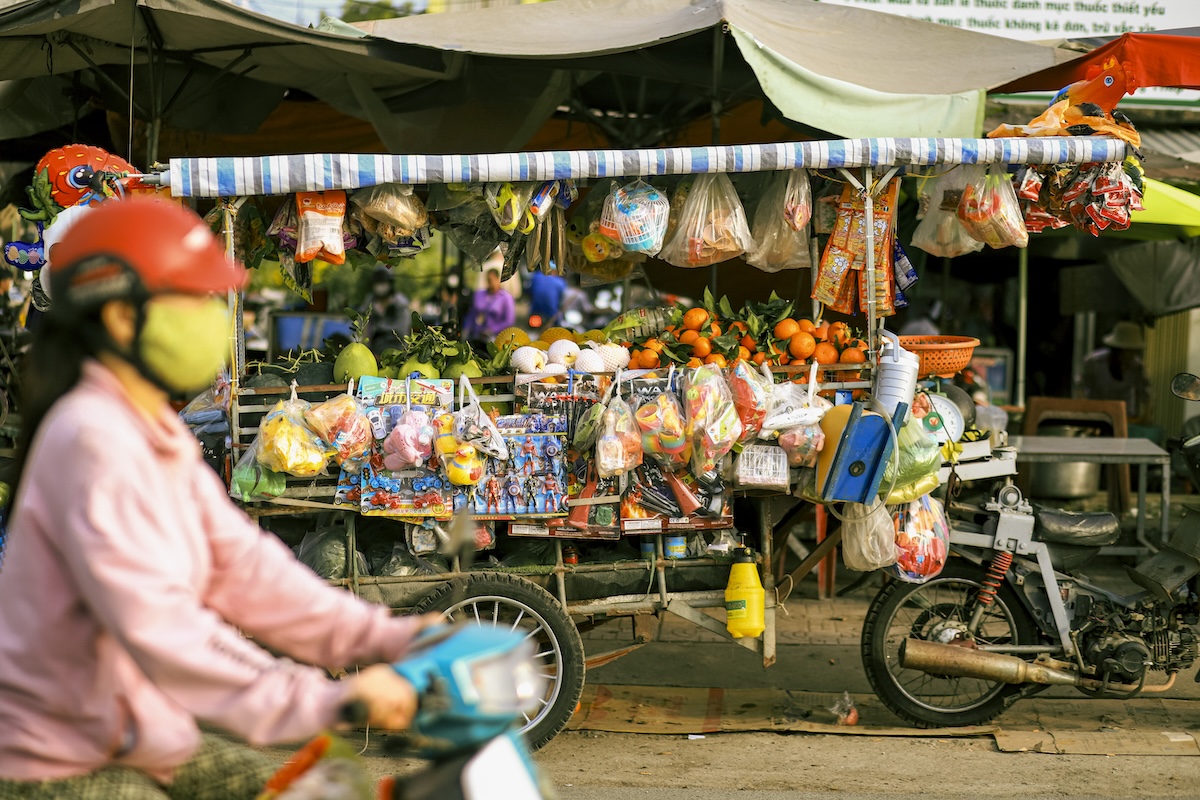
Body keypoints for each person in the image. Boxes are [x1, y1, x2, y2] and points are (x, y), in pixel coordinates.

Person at [0, 199, 432, 799]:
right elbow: (162, 630)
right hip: (59, 761)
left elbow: (242, 565)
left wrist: (388, 637)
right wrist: (328, 700)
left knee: (335, 791)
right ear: (124, 317)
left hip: (140, 733)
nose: (210, 317)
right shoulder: (90, 438)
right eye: (192, 299)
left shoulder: (152, 426)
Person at [1077, 320, 1152, 423]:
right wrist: (1085, 409)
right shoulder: (1094, 362)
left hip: (1124, 416)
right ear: (1117, 350)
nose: (1131, 355)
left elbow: (1146, 393)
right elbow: (1080, 386)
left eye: (1134, 351)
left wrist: (1145, 416)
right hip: (1096, 415)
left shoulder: (1137, 367)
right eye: (1128, 351)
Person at [462, 267, 515, 344]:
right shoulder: (479, 294)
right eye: (488, 280)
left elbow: (509, 321)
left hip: (495, 337)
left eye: (491, 280)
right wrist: (466, 328)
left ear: (498, 280)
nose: (489, 283)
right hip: (476, 334)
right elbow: (472, 313)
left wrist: (492, 329)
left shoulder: (506, 298)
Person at [365, 266, 412, 351]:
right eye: (377, 282)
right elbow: (364, 329)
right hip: (373, 354)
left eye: (383, 282)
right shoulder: (370, 302)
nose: (380, 286)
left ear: (390, 283)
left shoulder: (400, 304)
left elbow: (403, 333)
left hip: (396, 353)